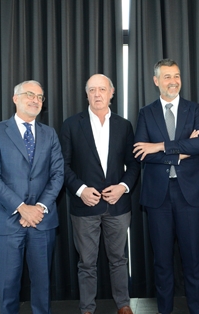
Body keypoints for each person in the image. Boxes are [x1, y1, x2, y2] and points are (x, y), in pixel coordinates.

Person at [133, 58, 199, 314]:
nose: (173, 81)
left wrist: (161, 146)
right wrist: (180, 150)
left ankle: (196, 310)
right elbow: (142, 152)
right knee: (162, 262)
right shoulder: (146, 112)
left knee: (193, 261)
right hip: (158, 198)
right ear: (156, 81)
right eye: (167, 76)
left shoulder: (194, 109)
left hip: (190, 195)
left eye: (176, 76)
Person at [0, 80, 64, 314]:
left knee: (42, 287)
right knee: (8, 287)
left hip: (42, 220)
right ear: (15, 98)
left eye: (40, 97)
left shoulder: (50, 134)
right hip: (7, 221)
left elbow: (58, 174)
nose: (36, 99)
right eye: (30, 94)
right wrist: (21, 207)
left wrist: (38, 208)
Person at [60, 74, 140, 314]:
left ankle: (123, 305)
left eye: (102, 89)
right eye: (92, 90)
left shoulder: (124, 125)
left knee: (119, 260)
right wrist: (81, 190)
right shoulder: (71, 124)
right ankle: (87, 309)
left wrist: (123, 187)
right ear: (86, 94)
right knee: (86, 263)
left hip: (117, 206)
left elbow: (134, 164)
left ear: (111, 93)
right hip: (84, 207)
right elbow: (62, 165)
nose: (97, 94)